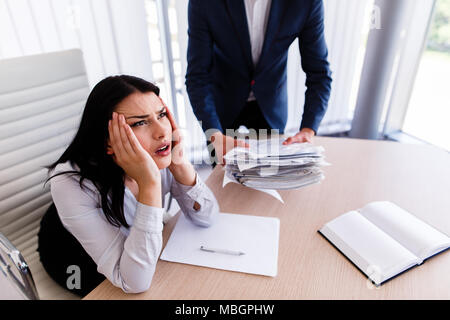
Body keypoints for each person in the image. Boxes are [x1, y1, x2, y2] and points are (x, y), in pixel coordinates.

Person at [37, 75, 219, 297]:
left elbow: (206, 217)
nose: (162, 131)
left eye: (161, 115)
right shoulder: (68, 182)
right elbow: (135, 282)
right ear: (107, 139)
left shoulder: (159, 152)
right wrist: (149, 183)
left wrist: (180, 164)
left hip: (130, 232)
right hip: (73, 256)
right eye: (140, 122)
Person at [185, 0, 332, 165]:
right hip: (222, 105)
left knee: (272, 176)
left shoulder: (307, 3)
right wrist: (214, 135)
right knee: (223, 180)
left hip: (271, 104)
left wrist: (308, 129)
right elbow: (197, 76)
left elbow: (319, 73)